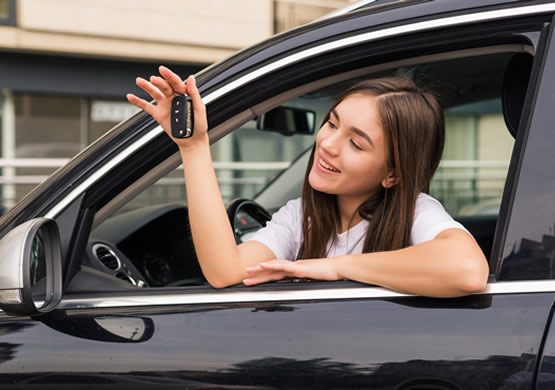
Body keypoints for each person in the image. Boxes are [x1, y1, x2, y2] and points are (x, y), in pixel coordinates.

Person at [127, 66, 489, 297]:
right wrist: (193, 147)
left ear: (392, 174)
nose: (326, 143)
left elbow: (467, 270)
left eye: (356, 143)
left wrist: (334, 267)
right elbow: (225, 272)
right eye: (331, 123)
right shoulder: (301, 217)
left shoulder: (416, 213)